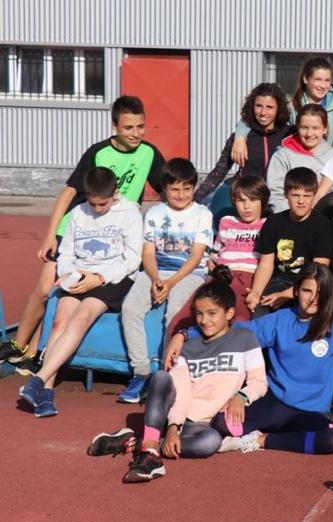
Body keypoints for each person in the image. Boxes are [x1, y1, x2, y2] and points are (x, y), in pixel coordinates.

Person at [0, 96, 164, 376]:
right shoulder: (98, 153)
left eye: (140, 126)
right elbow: (68, 193)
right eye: (128, 128)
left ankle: (36, 352)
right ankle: (18, 344)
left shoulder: (149, 153)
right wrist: (51, 235)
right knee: (45, 289)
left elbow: (167, 189)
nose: (136, 133)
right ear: (115, 126)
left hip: (111, 232)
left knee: (64, 295)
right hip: (76, 227)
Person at [86, 267, 266, 482]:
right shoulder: (186, 346)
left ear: (228, 313)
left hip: (202, 425)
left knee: (209, 443)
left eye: (212, 313)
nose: (204, 320)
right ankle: (150, 452)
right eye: (198, 314)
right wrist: (173, 427)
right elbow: (181, 389)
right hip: (174, 414)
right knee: (162, 377)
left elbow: (259, 382)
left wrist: (241, 396)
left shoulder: (245, 338)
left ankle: (136, 442)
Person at [164, 263, 333, 455]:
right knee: (223, 424)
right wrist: (184, 334)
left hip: (311, 411)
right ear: (296, 291)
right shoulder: (280, 319)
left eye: (320, 292)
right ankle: (282, 435)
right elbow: (234, 330)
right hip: (275, 403)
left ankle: (262, 440)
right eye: (307, 291)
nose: (313, 298)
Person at [18, 167, 144, 418]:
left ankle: (38, 379)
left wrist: (99, 278)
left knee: (82, 316)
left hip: (113, 278)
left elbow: (132, 259)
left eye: (102, 204)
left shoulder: (130, 212)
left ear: (115, 193)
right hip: (79, 274)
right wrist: (68, 273)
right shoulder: (77, 213)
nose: (97, 209)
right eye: (92, 203)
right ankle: (46, 393)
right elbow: (66, 252)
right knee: (59, 323)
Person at [118, 158, 214, 403]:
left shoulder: (203, 214)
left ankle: (166, 373)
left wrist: (170, 284)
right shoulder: (154, 213)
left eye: (187, 189)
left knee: (174, 313)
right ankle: (141, 373)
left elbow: (196, 257)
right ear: (164, 189)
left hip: (190, 274)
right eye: (175, 189)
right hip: (157, 272)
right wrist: (155, 279)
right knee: (130, 309)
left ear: (194, 188)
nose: (181, 195)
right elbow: (148, 253)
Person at [165, 176, 269, 333]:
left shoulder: (267, 225)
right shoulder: (227, 221)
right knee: (185, 316)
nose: (247, 206)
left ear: (262, 201)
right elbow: (216, 250)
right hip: (222, 275)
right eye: (241, 200)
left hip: (248, 276)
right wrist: (211, 262)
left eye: (253, 200)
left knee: (239, 317)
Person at [248, 167, 333, 318]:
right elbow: (266, 264)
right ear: (286, 194)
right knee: (260, 314)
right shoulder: (273, 222)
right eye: (295, 195)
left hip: (311, 283)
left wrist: (288, 294)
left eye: (307, 196)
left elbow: (320, 269)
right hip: (280, 279)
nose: (301, 201)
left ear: (314, 196)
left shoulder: (323, 225)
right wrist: (256, 292)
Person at [231, 56, 333, 162]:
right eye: (318, 79)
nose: (323, 85)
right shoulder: (292, 105)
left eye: (327, 80)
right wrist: (240, 137)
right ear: (305, 79)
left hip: (329, 164)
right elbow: (259, 116)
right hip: (299, 164)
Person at [194, 83, 293, 205]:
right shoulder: (240, 137)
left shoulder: (288, 134)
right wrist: (194, 200)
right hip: (243, 194)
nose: (263, 112)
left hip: (276, 197)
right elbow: (218, 172)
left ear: (278, 109)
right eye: (259, 106)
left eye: (269, 107)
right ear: (252, 106)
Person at [267, 103, 333, 212]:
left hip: (322, 216)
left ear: (325, 129)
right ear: (297, 127)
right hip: (289, 216)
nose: (309, 133)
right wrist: (289, 217)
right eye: (304, 127)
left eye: (315, 128)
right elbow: (276, 193)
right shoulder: (283, 156)